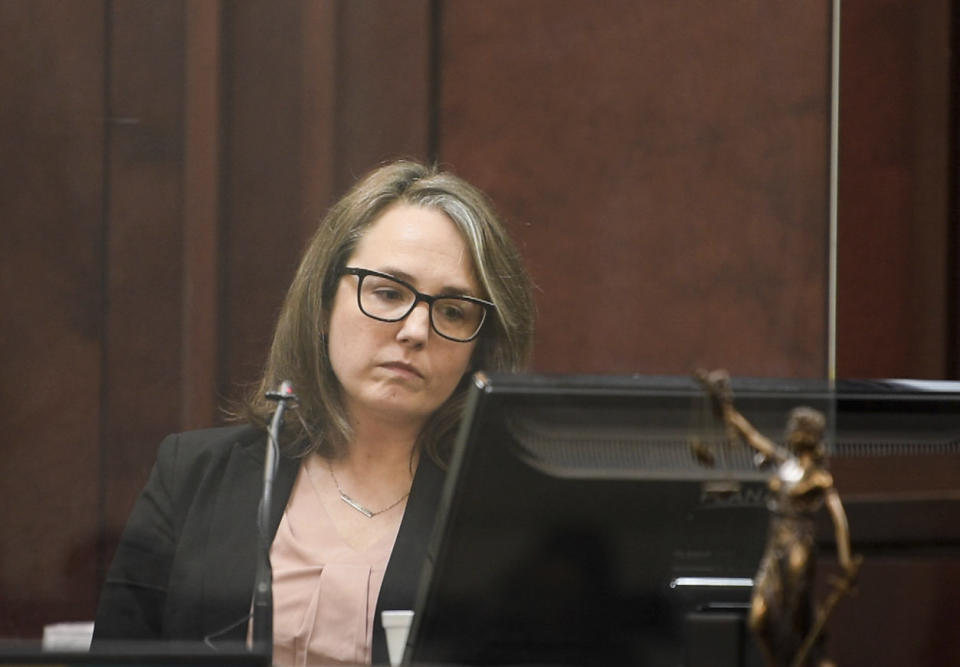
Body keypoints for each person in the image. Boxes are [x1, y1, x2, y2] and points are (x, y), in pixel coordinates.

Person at [92, 160, 536, 665]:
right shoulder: (192, 476)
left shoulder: (505, 516)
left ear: (479, 348)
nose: (416, 330)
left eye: (454, 310)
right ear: (324, 305)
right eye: (388, 292)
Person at [695, 369, 860, 667]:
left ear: (806, 435)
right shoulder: (782, 463)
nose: (788, 431)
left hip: (799, 548)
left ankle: (807, 661)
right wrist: (724, 403)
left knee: (794, 620)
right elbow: (749, 435)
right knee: (759, 619)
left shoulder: (819, 478)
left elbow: (838, 518)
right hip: (774, 548)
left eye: (794, 427)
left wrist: (846, 562)